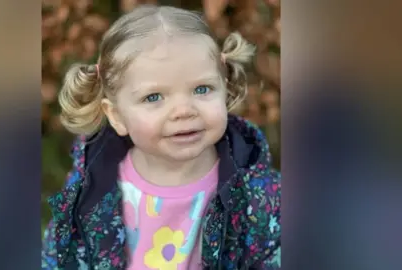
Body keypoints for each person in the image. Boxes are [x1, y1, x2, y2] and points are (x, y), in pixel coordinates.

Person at [42, 5, 281, 270]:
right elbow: (62, 252)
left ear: (225, 88)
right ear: (117, 116)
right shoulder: (93, 182)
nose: (183, 111)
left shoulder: (255, 191)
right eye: (153, 97)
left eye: (202, 89)